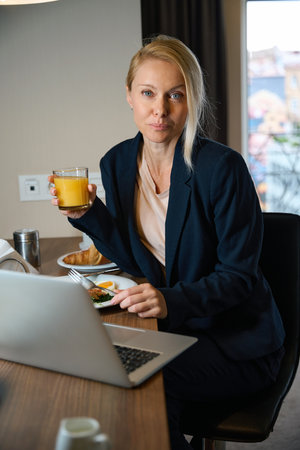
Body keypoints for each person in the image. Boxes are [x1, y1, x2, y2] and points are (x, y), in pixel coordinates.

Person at [49, 35, 285, 450]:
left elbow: (238, 278)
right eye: (148, 93)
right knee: (92, 364)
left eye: (175, 95)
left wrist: (170, 301)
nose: (160, 109)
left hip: (235, 341)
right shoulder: (117, 162)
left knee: (143, 382)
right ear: (129, 96)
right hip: (170, 330)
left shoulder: (222, 169)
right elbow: (133, 256)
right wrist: (88, 215)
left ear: (191, 99)